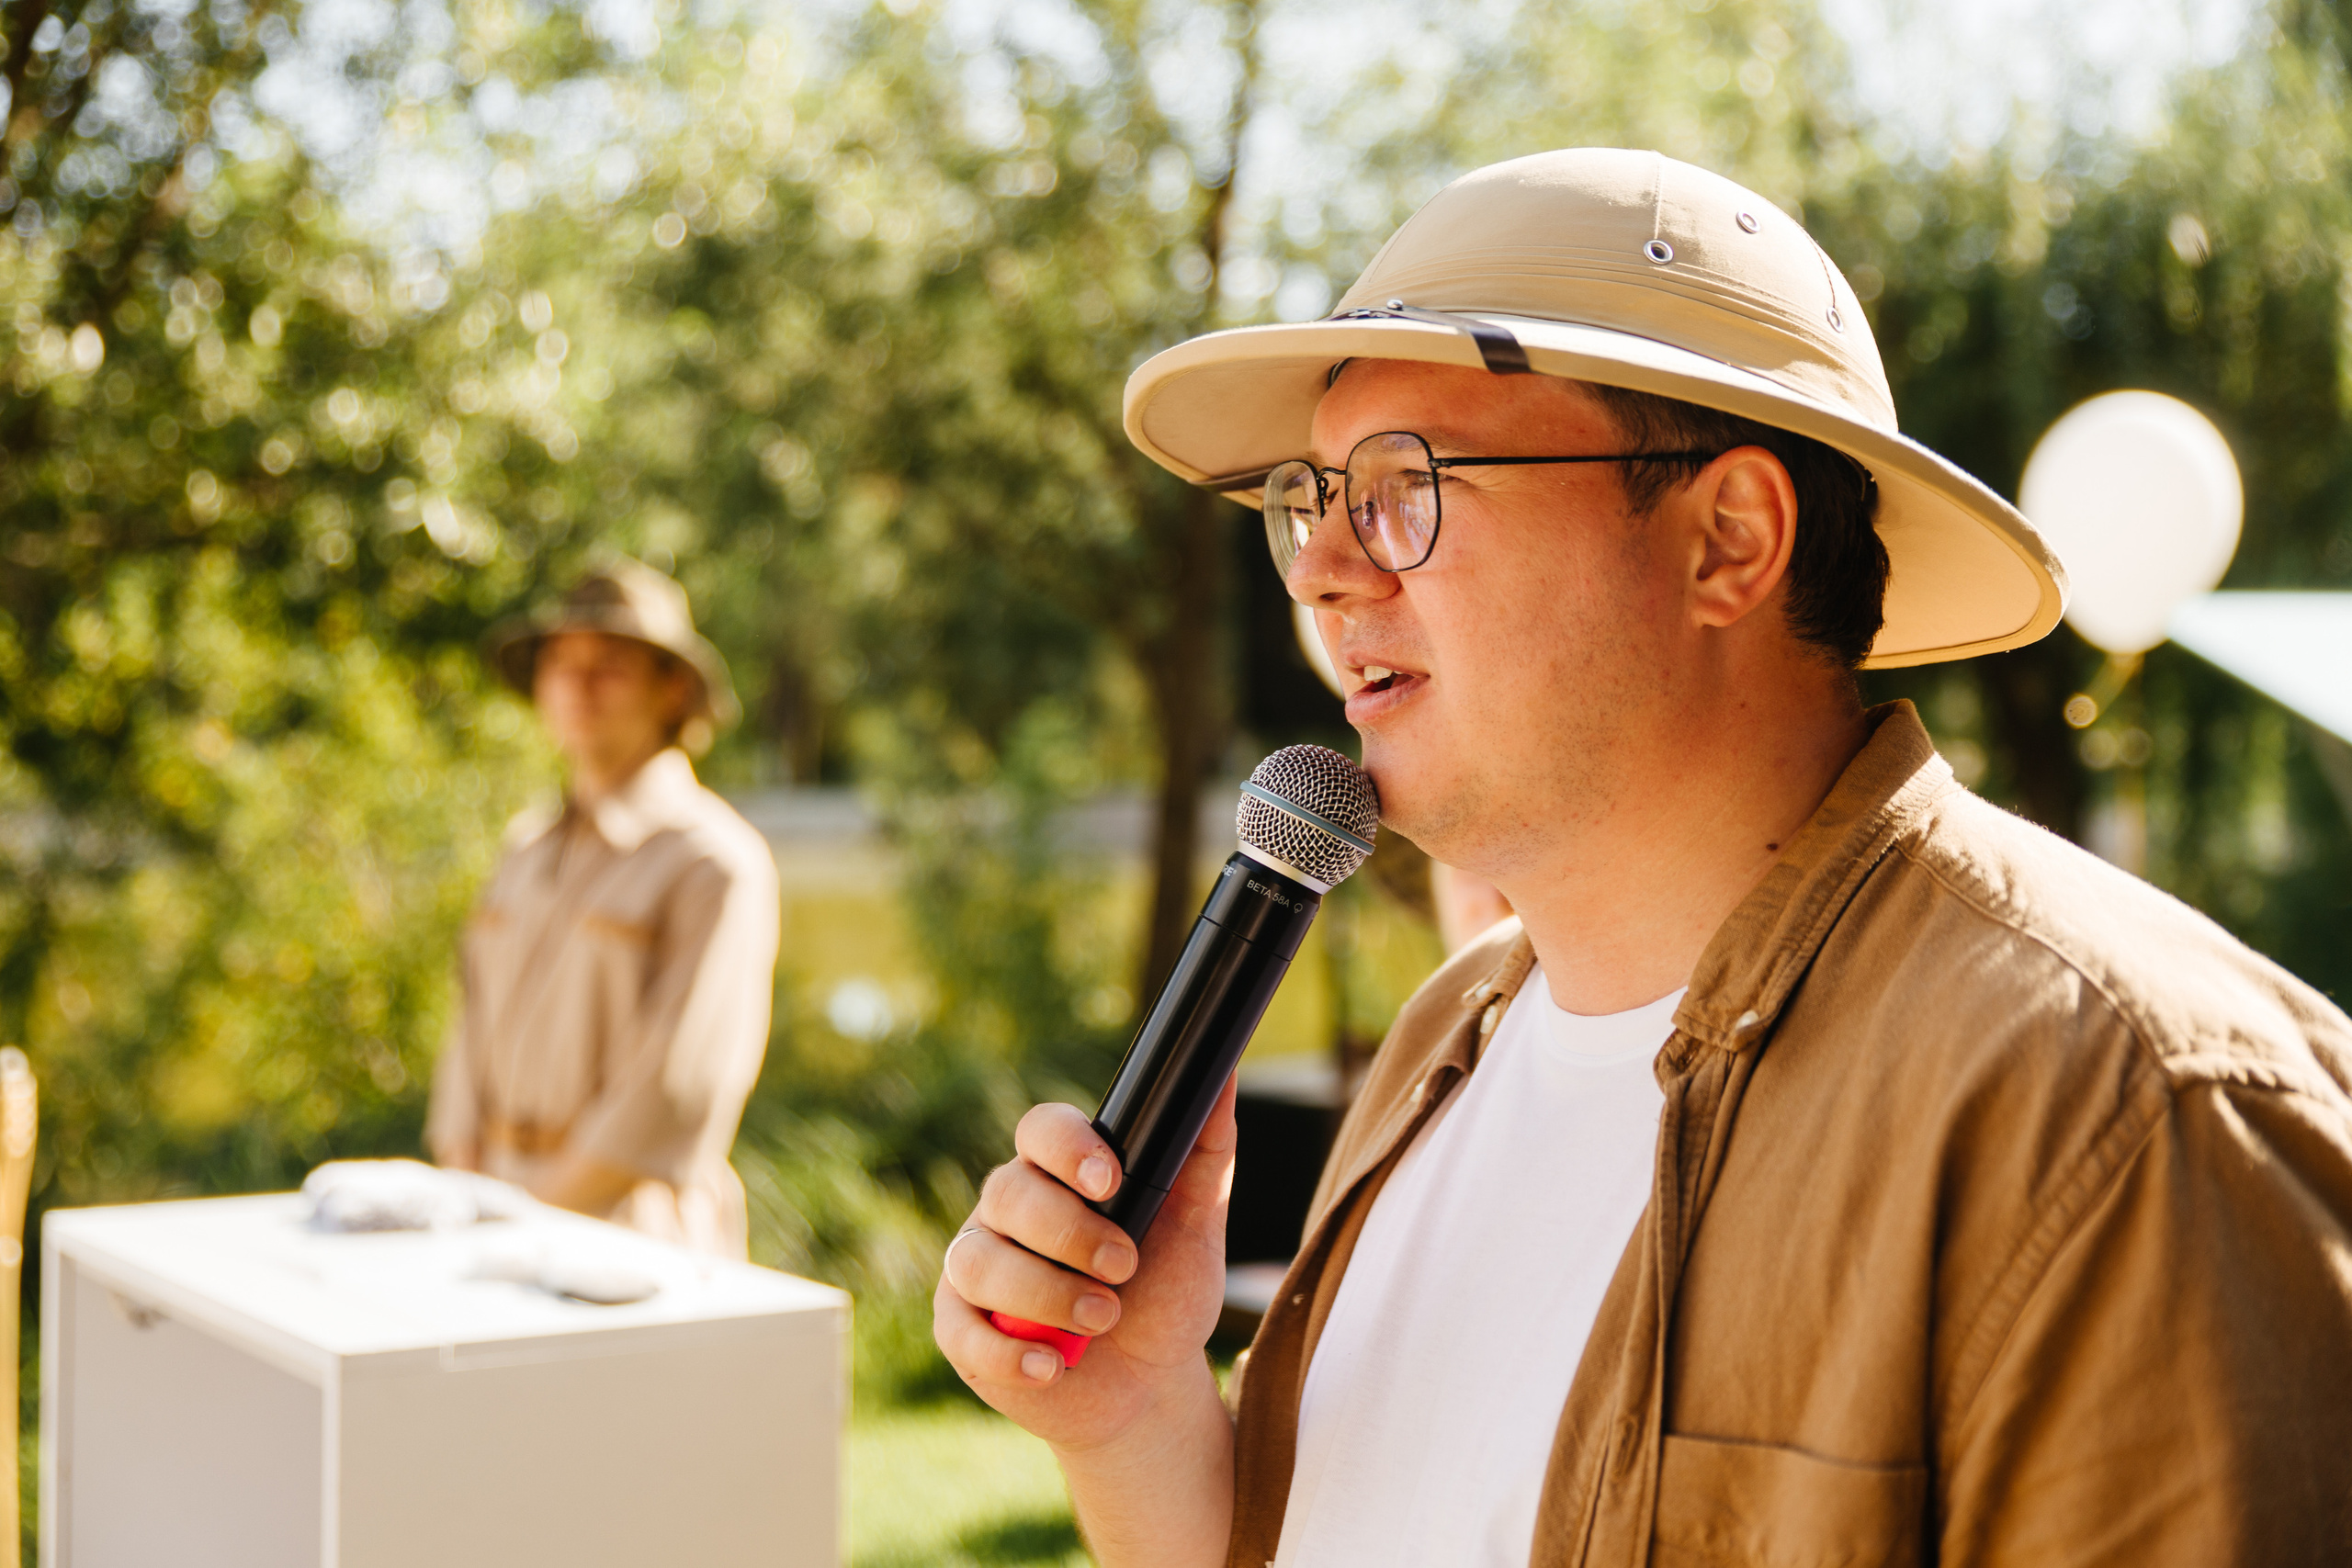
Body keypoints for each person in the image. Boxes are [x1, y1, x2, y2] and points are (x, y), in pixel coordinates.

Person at [933, 148, 2352, 1564]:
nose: (1318, 568)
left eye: (1405, 483)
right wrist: (1131, 1416)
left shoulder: (2131, 1107)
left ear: (1728, 540)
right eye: (1311, 496)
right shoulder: (1450, 1038)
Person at [428, 558, 780, 1258]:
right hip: (488, 1211)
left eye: (609, 665)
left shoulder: (712, 861)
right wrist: (469, 1186)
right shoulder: (525, 847)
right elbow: (467, 1031)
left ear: (672, 689)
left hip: (631, 1235)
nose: (578, 685)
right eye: (562, 663)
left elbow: (674, 1088)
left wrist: (529, 1216)